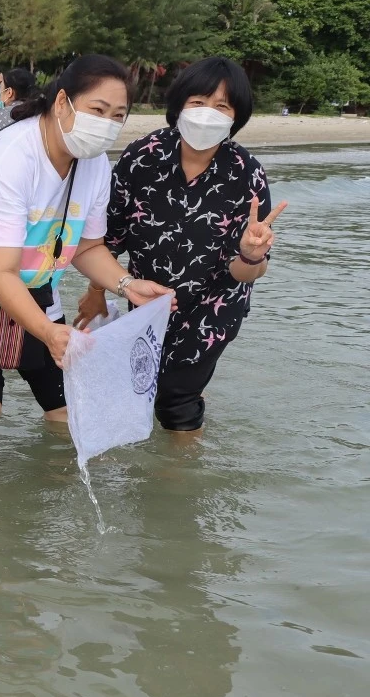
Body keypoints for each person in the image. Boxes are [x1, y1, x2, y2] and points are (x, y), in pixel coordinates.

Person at [0, 54, 175, 446]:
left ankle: (56, 491)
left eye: (118, 115)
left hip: (35, 286)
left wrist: (127, 284)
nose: (107, 124)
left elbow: (87, 246)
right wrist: (47, 332)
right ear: (62, 102)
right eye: (97, 109)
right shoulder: (9, 158)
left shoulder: (94, 164)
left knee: (66, 407)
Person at [74, 56, 286, 434]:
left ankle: (181, 479)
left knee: (175, 401)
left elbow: (246, 272)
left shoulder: (246, 172)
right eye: (199, 102)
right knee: (147, 385)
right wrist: (96, 291)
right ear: (180, 105)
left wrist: (251, 255)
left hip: (214, 306)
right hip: (148, 298)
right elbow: (110, 237)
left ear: (236, 116)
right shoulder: (142, 156)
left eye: (222, 106)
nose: (208, 114)